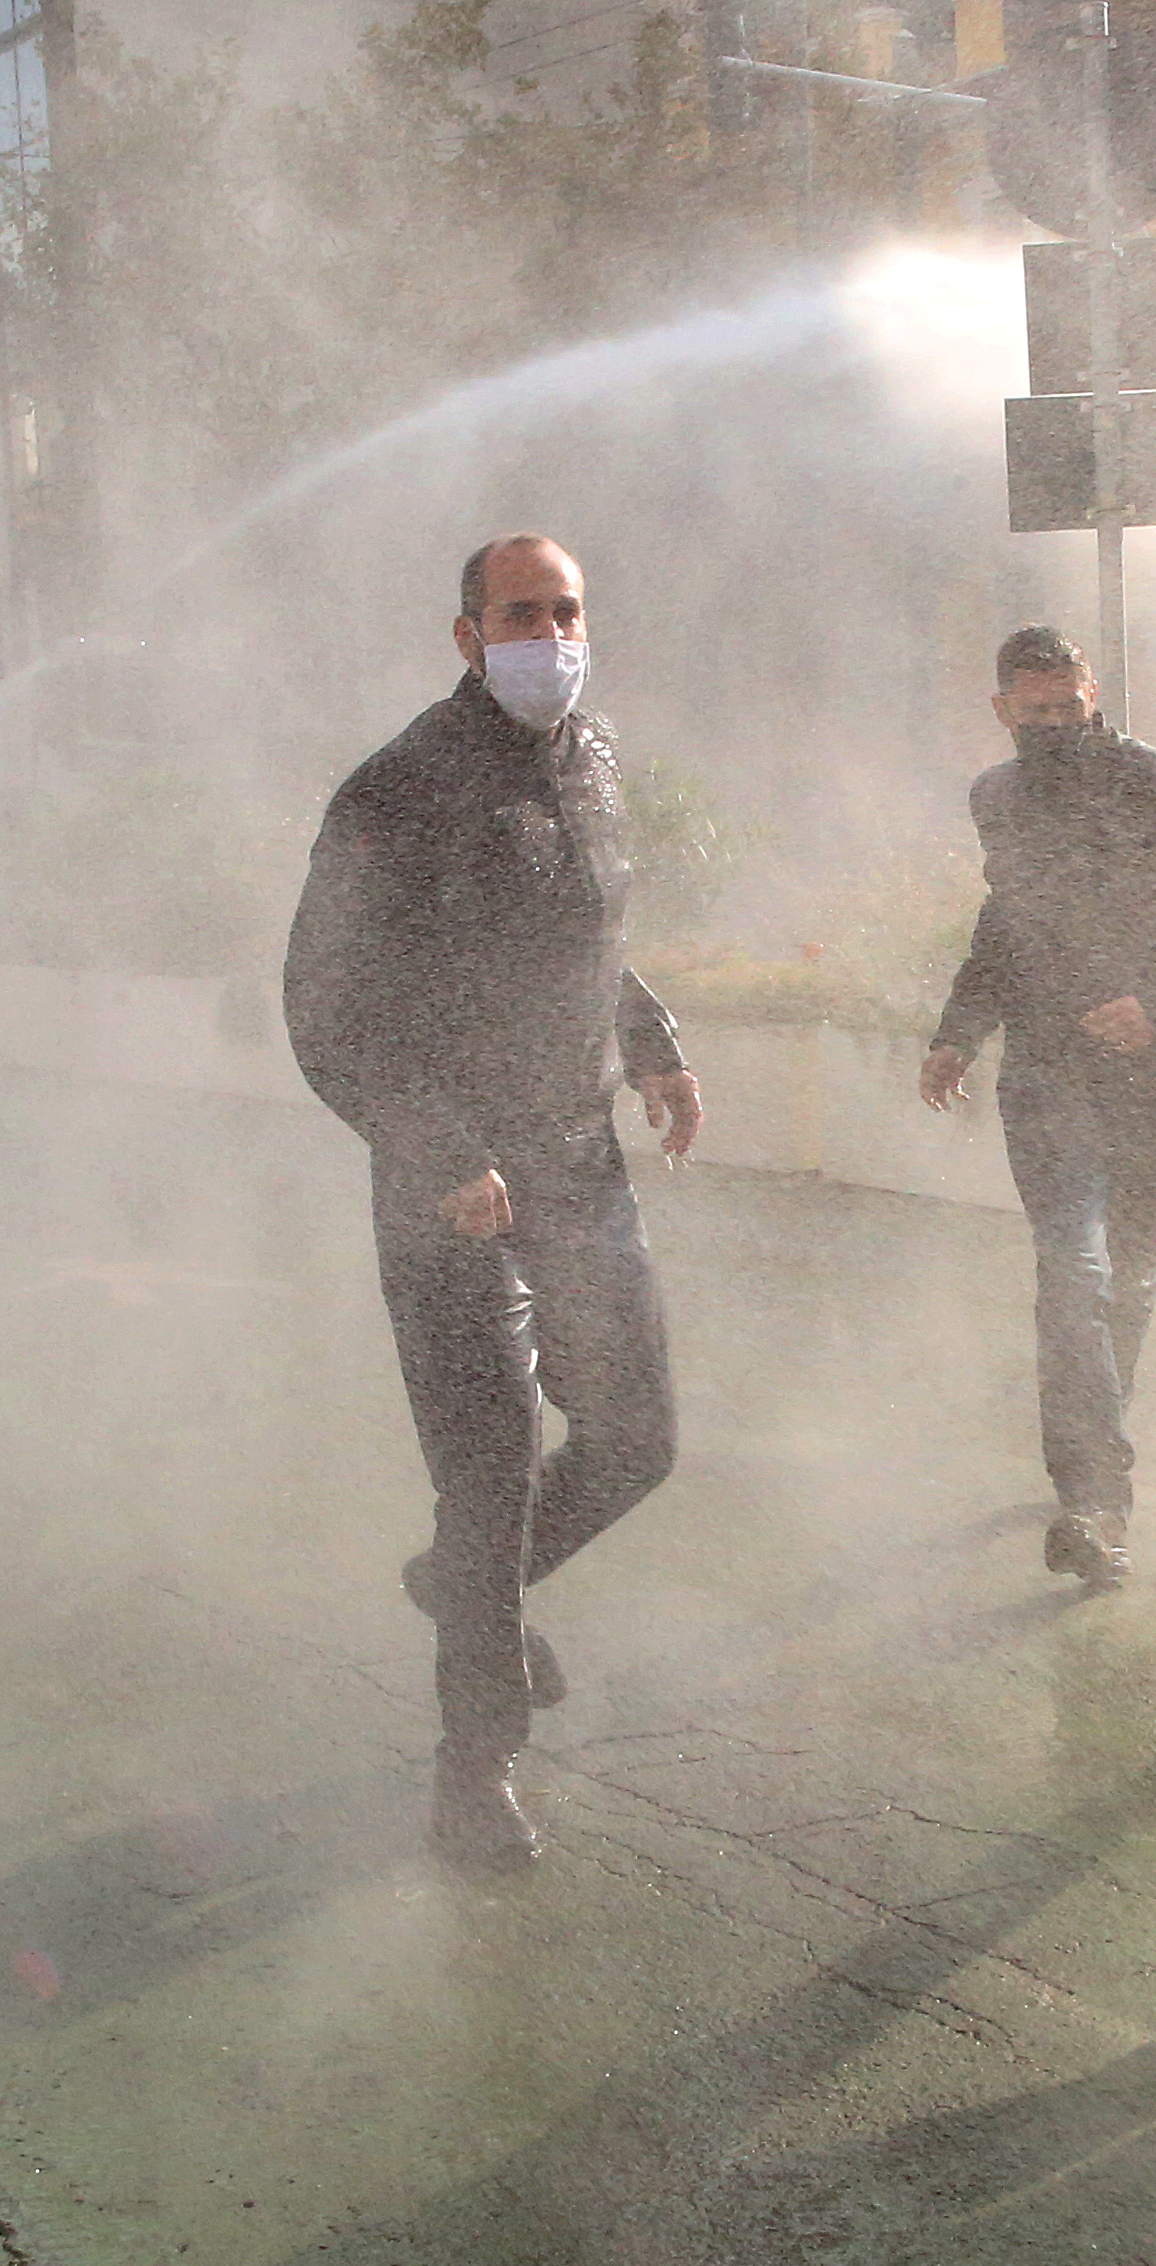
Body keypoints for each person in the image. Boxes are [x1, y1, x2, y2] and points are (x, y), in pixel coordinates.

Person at [282, 532, 705, 1875]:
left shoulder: (592, 758)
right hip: (452, 1189)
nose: (550, 637)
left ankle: (471, 1587)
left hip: (578, 1159)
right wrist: (434, 1148)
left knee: (636, 1439)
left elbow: (587, 938)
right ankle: (475, 1770)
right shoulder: (396, 789)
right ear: (466, 635)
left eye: (566, 611)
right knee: (487, 1477)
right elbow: (324, 1007)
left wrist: (651, 1045)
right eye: (521, 615)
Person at [921, 626, 1156, 1587]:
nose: (1052, 727)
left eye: (1067, 709)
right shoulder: (997, 796)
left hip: (1153, 1080)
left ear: (1092, 697)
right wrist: (958, 1029)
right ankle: (1092, 1497)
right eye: (1032, 713)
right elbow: (1006, 920)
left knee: (1127, 1278)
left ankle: (1092, 1461)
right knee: (1072, 1271)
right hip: (1044, 1069)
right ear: (1001, 710)